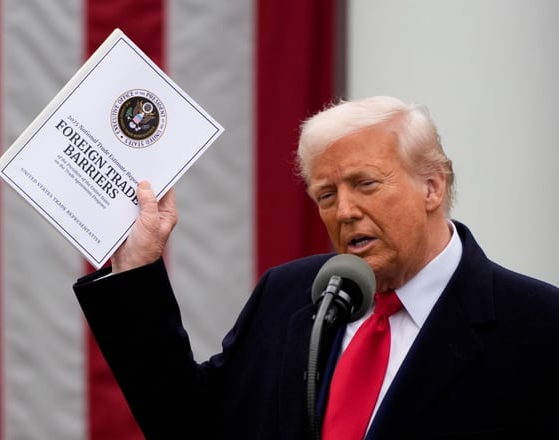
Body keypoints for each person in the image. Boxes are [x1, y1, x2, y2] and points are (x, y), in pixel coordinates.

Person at [73, 96, 559, 439]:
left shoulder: (539, 325)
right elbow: (189, 423)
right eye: (326, 195)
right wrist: (139, 266)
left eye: (365, 184)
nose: (344, 211)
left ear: (432, 186)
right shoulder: (289, 294)